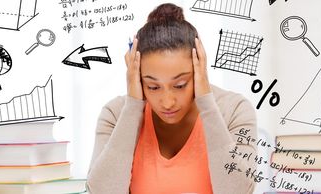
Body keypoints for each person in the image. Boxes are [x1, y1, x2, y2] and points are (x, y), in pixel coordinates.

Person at [87, 3, 257, 194]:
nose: (167, 102)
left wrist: (207, 103)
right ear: (137, 77)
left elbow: (239, 191)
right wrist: (133, 106)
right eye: (153, 87)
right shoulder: (115, 114)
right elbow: (101, 191)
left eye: (180, 85)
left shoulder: (234, 110)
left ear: (198, 68)